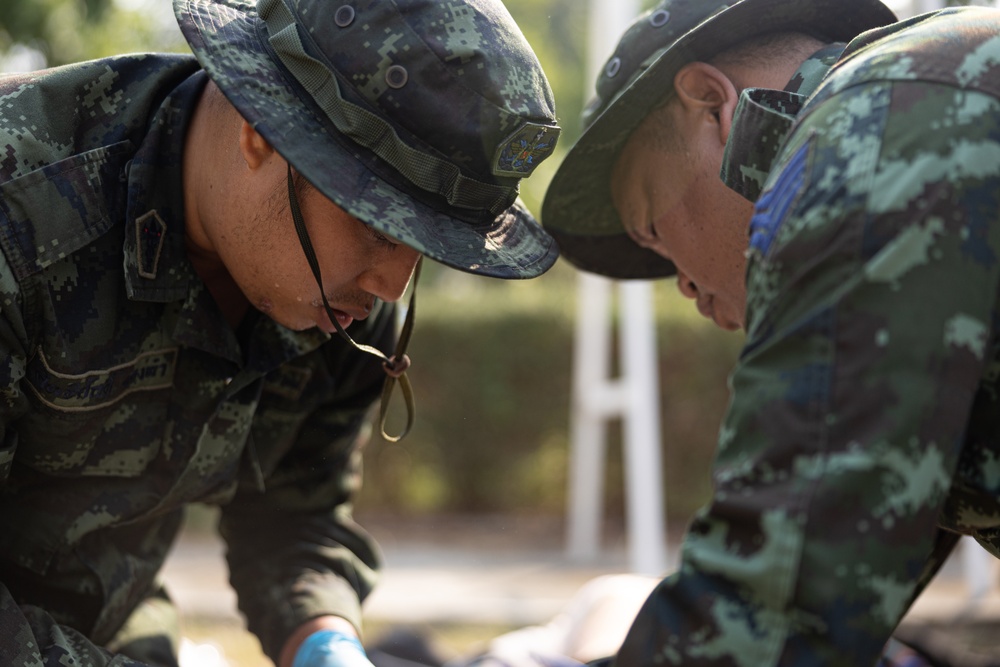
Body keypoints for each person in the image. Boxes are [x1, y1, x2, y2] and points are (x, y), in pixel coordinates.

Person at [0, 0, 561, 665]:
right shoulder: (23, 214)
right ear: (260, 128)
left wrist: (325, 639)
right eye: (379, 225)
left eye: (426, 247)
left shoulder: (336, 298)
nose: (391, 285)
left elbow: (294, 513)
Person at [542, 0, 1000, 664]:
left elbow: (772, 604)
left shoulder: (868, 127)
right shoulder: (929, 95)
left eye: (652, 230)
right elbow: (853, 548)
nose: (686, 288)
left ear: (710, 105)